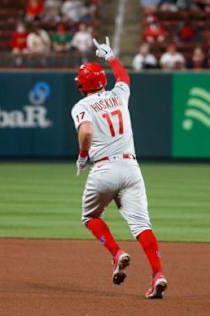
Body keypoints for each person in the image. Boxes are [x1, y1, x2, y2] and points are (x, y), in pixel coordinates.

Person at [70, 37, 168, 299]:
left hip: (103, 169)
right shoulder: (118, 95)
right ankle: (158, 274)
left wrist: (82, 156)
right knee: (142, 226)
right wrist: (112, 57)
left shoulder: (81, 105)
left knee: (90, 217)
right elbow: (125, 78)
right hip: (131, 167)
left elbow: (87, 132)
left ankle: (117, 253)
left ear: (82, 86)